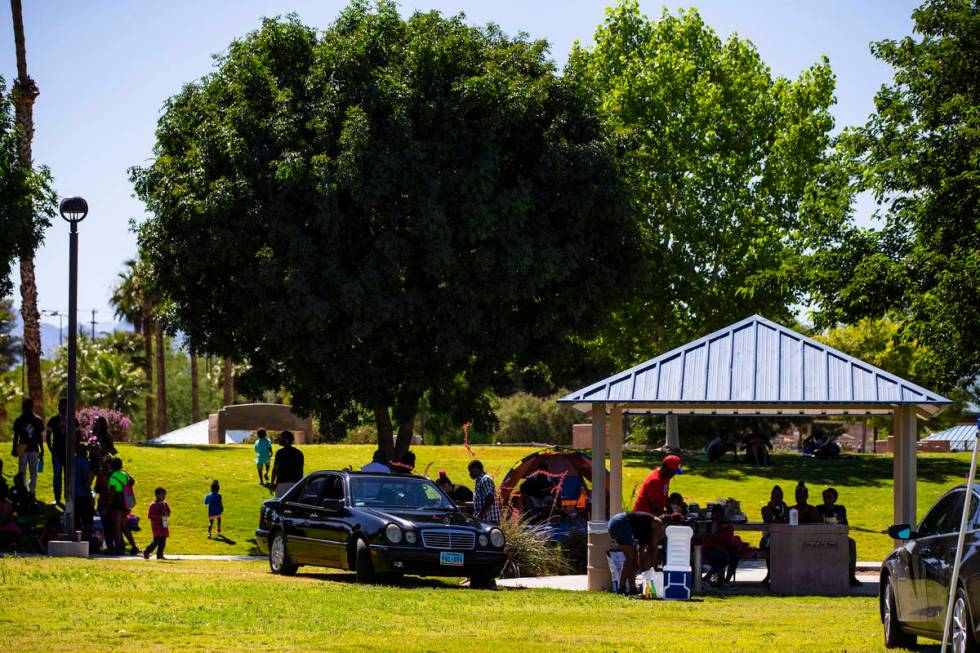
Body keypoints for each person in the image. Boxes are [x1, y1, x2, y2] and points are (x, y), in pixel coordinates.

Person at [607, 511, 666, 595]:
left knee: (633, 557)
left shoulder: (647, 529)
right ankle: (621, 588)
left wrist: (644, 570)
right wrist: (654, 567)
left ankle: (632, 588)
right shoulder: (658, 524)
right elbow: (654, 547)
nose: (661, 535)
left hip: (615, 522)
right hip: (621, 522)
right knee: (630, 557)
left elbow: (640, 552)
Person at [701, 504, 752, 587]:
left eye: (719, 514)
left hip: (720, 548)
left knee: (735, 556)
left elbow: (728, 541)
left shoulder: (726, 526)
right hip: (707, 548)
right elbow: (709, 541)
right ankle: (708, 577)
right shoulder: (708, 524)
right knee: (724, 557)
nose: (717, 516)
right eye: (715, 513)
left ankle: (726, 581)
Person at [818, 487, 861, 586]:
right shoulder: (819, 508)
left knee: (851, 543)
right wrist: (833, 520)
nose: (826, 499)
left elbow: (842, 522)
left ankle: (851, 576)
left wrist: (827, 520)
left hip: (838, 536)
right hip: (822, 536)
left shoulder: (840, 508)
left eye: (829, 497)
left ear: (834, 499)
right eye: (824, 497)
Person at [11, 398, 44, 495]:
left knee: (30, 471)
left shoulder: (36, 420)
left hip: (30, 448)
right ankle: (25, 490)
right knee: (24, 471)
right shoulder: (20, 419)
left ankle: (31, 490)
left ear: (30, 406)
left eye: (26, 405)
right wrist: (14, 448)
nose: (25, 407)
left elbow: (39, 436)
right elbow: (16, 436)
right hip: (25, 447)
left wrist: (41, 449)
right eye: (25, 405)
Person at [106, 457, 139, 555]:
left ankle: (120, 548)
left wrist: (107, 507)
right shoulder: (124, 474)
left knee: (117, 527)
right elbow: (132, 482)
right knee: (124, 526)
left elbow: (112, 494)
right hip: (126, 502)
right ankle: (134, 546)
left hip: (116, 504)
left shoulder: (112, 477)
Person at [45, 398, 69, 506]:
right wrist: (50, 447)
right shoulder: (53, 420)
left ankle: (68, 498)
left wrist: (75, 446)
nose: (59, 407)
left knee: (68, 476)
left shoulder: (72, 419)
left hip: (68, 452)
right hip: (57, 451)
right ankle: (57, 499)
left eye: (62, 405)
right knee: (57, 475)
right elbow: (48, 434)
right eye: (59, 405)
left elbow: (78, 435)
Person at [270, 431, 304, 498]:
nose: (280, 440)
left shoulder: (280, 453)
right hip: (295, 485)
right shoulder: (299, 453)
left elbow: (276, 469)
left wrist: (272, 483)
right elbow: (301, 471)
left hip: (282, 484)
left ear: (287, 440)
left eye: (281, 438)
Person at [74, 436, 94, 540]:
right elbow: (85, 480)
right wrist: (90, 495)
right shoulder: (84, 462)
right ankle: (87, 540)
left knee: (76, 520)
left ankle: (76, 539)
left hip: (74, 495)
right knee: (87, 520)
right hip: (83, 495)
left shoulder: (73, 462)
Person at [468, 460, 500, 524]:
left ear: (476, 469)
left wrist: (479, 516)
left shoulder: (485, 480)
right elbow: (479, 503)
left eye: (470, 471)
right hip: (484, 520)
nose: (469, 474)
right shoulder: (479, 481)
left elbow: (490, 500)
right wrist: (462, 503)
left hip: (489, 521)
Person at [143, 487, 171, 560]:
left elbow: (169, 512)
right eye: (162, 495)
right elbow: (150, 516)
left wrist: (166, 513)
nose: (164, 497)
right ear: (157, 495)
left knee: (163, 540)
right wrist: (159, 516)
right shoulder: (153, 505)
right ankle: (147, 551)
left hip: (164, 524)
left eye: (165, 495)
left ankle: (160, 554)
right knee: (156, 540)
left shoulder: (165, 504)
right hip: (156, 525)